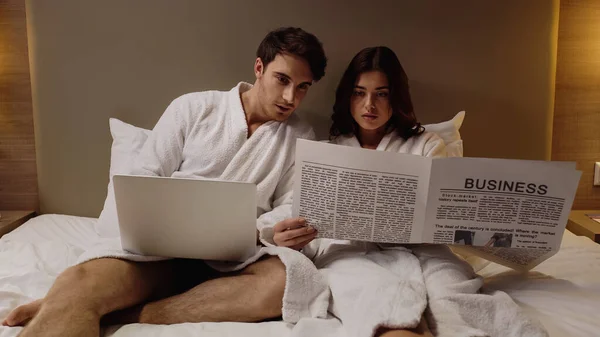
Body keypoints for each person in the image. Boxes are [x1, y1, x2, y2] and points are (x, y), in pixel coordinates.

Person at [2, 27, 327, 337]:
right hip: (158, 255)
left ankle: (119, 312)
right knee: (80, 280)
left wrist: (270, 229)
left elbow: (289, 204)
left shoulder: (300, 136)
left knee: (286, 283)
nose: (290, 97)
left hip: (239, 262)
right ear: (259, 67)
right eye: (282, 80)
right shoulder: (194, 108)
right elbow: (146, 176)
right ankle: (78, 301)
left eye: (303, 87)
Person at [282, 46, 548, 337]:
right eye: (359, 93)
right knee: (378, 300)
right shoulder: (329, 152)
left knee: (455, 300)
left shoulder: (427, 144)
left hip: (427, 252)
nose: (369, 104)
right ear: (348, 97)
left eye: (381, 94)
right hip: (356, 254)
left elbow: (445, 209)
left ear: (396, 97)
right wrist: (290, 235)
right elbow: (297, 211)